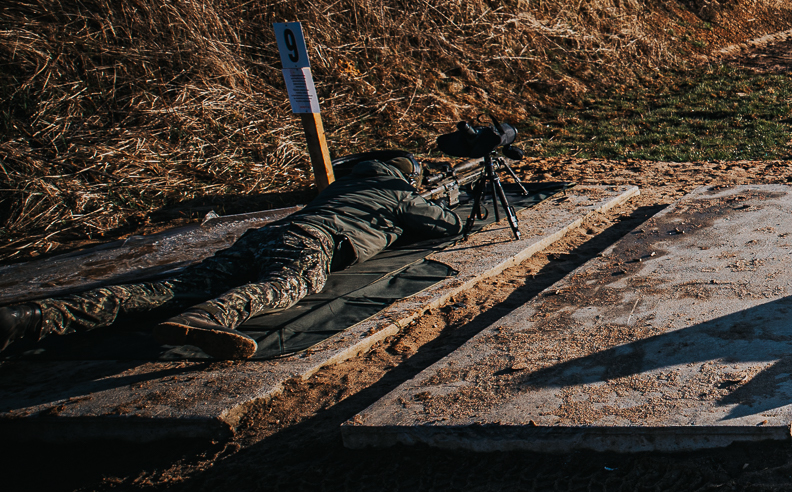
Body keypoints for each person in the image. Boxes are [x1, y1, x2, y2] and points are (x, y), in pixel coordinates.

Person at [0, 152, 464, 361]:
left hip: (267, 234)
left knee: (167, 288)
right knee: (291, 286)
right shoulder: (394, 192)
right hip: (312, 241)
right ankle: (208, 319)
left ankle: (31, 318)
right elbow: (449, 224)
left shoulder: (345, 184)